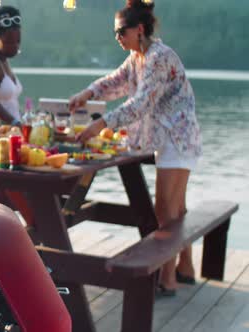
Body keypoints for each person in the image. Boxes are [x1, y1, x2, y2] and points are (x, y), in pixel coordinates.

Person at [69, 0, 202, 297]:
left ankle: (167, 279)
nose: (117, 37)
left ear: (139, 29)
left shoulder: (158, 57)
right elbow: (115, 82)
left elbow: (141, 103)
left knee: (165, 210)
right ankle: (186, 269)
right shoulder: (138, 57)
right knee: (176, 208)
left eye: (120, 32)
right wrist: (87, 93)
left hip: (176, 139)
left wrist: (101, 123)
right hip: (176, 138)